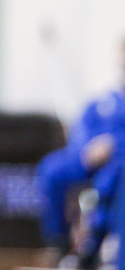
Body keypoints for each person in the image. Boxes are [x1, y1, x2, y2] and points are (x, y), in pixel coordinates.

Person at [36, 40, 125, 267]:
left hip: (118, 164)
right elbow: (80, 134)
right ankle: (59, 240)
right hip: (88, 162)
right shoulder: (101, 102)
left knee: (115, 178)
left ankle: (93, 244)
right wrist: (87, 150)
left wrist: (113, 145)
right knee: (51, 168)